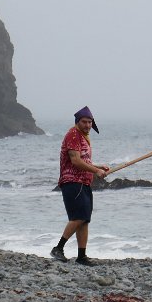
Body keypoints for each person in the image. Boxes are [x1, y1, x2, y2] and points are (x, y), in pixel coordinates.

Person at [51, 106, 109, 265]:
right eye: (84, 122)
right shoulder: (73, 135)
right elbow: (75, 161)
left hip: (84, 182)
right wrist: (96, 170)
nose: (87, 125)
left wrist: (98, 167)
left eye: (90, 122)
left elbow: (83, 160)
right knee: (78, 217)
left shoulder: (83, 137)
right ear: (77, 121)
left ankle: (82, 256)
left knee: (84, 220)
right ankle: (58, 248)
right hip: (72, 182)